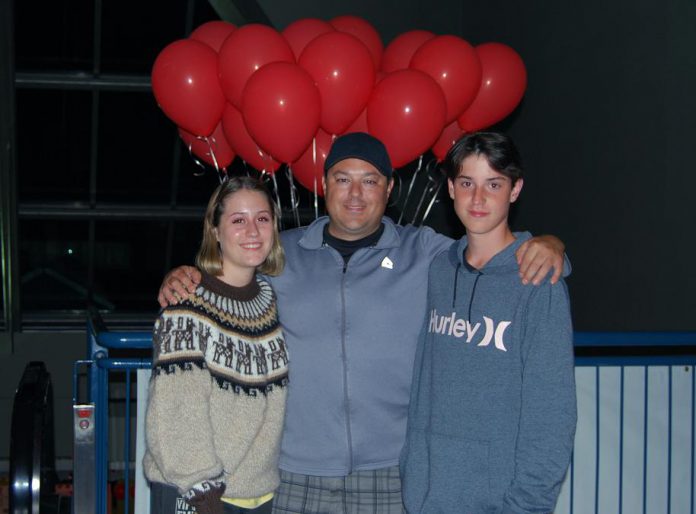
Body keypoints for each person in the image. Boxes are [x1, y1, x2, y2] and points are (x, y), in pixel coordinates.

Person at [159, 132, 567, 513]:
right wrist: (184, 276)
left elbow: (489, 252)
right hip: (296, 474)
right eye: (343, 179)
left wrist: (552, 248)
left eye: (370, 181)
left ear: (389, 190)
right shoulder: (282, 255)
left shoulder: (425, 252)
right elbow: (229, 271)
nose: (355, 193)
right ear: (324, 185)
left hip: (391, 475)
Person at [400, 132, 576, 513]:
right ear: (450, 188)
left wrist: (526, 506)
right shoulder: (440, 270)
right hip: (424, 498)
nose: (478, 199)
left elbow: (552, 417)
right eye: (467, 183)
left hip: (498, 504)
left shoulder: (537, 283)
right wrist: (412, 477)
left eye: (493, 184)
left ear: (515, 190)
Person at [144, 176, 289, 514]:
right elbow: (176, 415)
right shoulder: (187, 306)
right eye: (238, 220)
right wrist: (205, 497)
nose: (253, 231)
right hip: (199, 497)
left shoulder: (271, 300)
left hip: (257, 494)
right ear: (215, 230)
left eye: (262, 218)